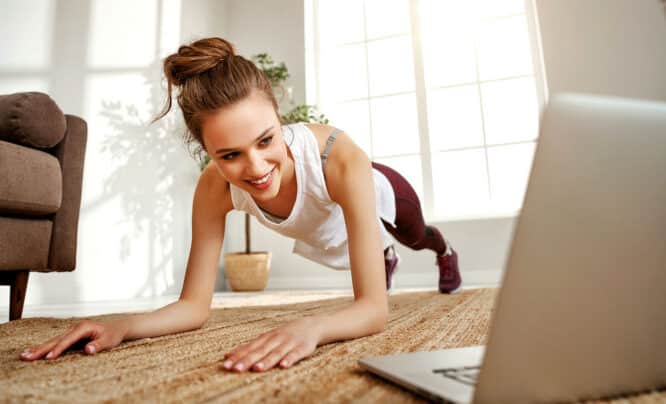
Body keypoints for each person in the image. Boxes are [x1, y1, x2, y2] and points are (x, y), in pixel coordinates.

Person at [19, 37, 461, 372]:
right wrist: (124, 323)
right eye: (229, 155)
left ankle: (443, 252)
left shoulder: (342, 159)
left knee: (415, 236)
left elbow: (374, 311)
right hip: (332, 232)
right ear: (205, 150)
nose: (255, 168)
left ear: (280, 115)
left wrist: (313, 327)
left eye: (266, 140)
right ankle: (380, 257)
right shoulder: (213, 188)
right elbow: (194, 306)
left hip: (381, 194)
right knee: (361, 258)